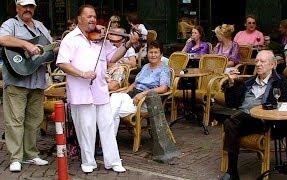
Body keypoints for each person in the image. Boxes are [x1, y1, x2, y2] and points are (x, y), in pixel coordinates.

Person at [56, 4, 139, 173]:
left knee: (107, 125)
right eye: (89, 16)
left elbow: (113, 56)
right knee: (85, 128)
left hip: (100, 90)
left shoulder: (101, 39)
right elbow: (62, 63)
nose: (93, 19)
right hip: (80, 92)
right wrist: (81, 73)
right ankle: (88, 162)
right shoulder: (70, 39)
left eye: (94, 16)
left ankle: (113, 161)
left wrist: (129, 43)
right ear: (79, 19)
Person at [219, 50, 287, 180]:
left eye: (262, 61)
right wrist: (231, 84)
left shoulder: (280, 82)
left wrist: (269, 108)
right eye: (257, 61)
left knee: (231, 120)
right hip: (242, 121)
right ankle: (232, 173)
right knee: (227, 117)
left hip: (264, 122)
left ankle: (231, 172)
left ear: (272, 65)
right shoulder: (249, 82)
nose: (258, 64)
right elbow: (232, 103)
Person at [0, 0, 55, 172]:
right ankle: (16, 157)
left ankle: (31, 154)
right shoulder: (11, 24)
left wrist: (54, 48)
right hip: (17, 80)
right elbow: (2, 39)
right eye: (24, 6)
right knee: (15, 120)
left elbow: (49, 48)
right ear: (17, 8)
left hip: (37, 81)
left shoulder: (40, 26)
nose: (28, 9)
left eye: (31, 6)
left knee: (34, 120)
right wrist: (26, 44)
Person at [110, 39, 170, 136]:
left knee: (110, 111)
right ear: (147, 54)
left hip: (145, 101)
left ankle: (107, 142)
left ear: (161, 55)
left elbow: (164, 88)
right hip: (132, 96)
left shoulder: (164, 69)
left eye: (156, 52)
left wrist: (143, 94)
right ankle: (109, 143)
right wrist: (124, 94)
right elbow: (135, 83)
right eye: (151, 52)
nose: (153, 55)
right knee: (115, 97)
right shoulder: (146, 66)